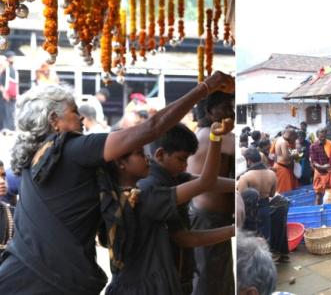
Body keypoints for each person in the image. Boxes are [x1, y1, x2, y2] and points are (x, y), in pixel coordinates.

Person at [0, 71, 234, 294]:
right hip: (46, 280)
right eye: (73, 111)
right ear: (54, 120)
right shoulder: (71, 148)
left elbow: (202, 181)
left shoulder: (39, 161)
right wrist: (205, 88)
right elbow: (151, 128)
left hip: (24, 275)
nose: (81, 116)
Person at [103, 120, 235, 295]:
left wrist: (242, 185)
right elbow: (206, 182)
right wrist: (215, 139)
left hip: (156, 280)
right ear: (121, 163)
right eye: (139, 153)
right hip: (147, 286)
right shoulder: (148, 191)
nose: (146, 157)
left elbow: (209, 183)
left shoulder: (160, 181)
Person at [187, 90, 236, 295]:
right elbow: (206, 182)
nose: (231, 113)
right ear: (210, 112)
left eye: (231, 107)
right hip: (208, 217)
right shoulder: (210, 135)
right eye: (225, 108)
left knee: (216, 276)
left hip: (212, 217)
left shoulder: (210, 135)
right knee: (209, 278)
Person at [237, 148, 289, 262]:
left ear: (248, 160)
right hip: (265, 208)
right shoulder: (271, 174)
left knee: (251, 239)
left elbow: (240, 198)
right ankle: (266, 262)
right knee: (265, 238)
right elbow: (271, 194)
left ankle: (254, 264)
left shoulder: (245, 177)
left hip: (250, 212)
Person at [310, 128, 331, 204]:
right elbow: (313, 161)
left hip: (329, 172)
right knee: (318, 195)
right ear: (317, 136)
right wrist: (322, 167)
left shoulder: (330, 144)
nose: (323, 139)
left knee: (328, 195)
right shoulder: (313, 146)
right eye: (321, 137)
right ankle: (317, 211)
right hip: (318, 172)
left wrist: (329, 165)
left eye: (324, 137)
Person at [273, 128, 298, 193]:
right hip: (282, 168)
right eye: (294, 138)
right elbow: (286, 157)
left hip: (282, 167)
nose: (294, 141)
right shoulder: (283, 142)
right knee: (284, 192)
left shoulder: (280, 139)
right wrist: (295, 155)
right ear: (291, 135)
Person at [0, 52, 18, 130]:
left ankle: (10, 128)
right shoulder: (4, 66)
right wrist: (3, 91)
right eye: (13, 57)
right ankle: (4, 128)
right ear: (8, 58)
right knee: (5, 111)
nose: (14, 58)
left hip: (12, 94)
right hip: (4, 93)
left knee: (11, 111)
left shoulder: (13, 68)